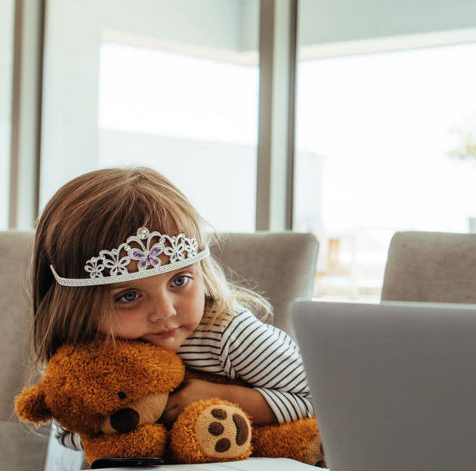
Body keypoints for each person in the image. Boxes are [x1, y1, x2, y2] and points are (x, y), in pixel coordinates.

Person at [29, 167, 313, 452]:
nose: (164, 311)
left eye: (179, 280)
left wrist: (223, 396)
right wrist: (122, 428)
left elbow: (320, 400)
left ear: (201, 271)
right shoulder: (85, 355)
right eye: (128, 295)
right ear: (77, 306)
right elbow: (67, 433)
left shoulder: (228, 333)